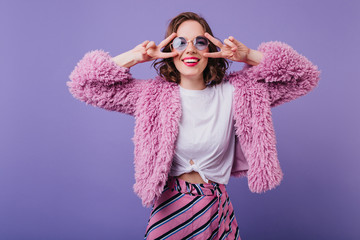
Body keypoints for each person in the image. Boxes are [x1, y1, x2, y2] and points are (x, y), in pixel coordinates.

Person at [67, 11, 320, 240]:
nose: (191, 50)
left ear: (210, 48)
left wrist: (249, 55)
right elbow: (84, 84)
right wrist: (135, 57)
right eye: (180, 43)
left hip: (217, 208)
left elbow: (305, 76)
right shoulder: (152, 96)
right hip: (172, 208)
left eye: (200, 42)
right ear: (169, 50)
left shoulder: (237, 93)